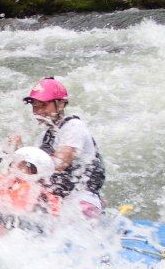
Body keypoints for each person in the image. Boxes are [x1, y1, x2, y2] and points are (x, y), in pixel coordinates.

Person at [10, 77, 105, 218]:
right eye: (35, 107)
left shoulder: (74, 127)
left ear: (61, 104)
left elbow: (59, 164)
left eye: (43, 105)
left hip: (81, 199)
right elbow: (34, 174)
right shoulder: (44, 136)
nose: (38, 112)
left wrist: (23, 159)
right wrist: (17, 153)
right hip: (59, 200)